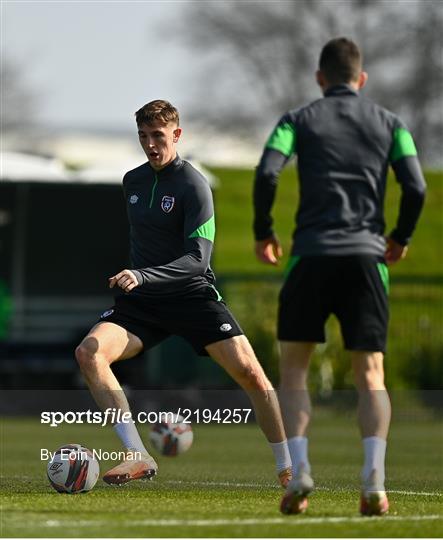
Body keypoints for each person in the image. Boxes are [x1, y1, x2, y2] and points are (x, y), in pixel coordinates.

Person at [75, 99, 292, 488]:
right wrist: (140, 281)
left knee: (253, 376)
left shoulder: (194, 185)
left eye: (158, 135)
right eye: (143, 136)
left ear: (176, 135)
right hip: (143, 304)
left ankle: (288, 468)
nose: (151, 144)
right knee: (89, 353)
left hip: (192, 296)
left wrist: (143, 276)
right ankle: (136, 455)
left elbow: (198, 258)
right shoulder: (133, 182)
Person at [253, 38, 426, 516]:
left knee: (293, 371)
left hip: (310, 255)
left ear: (319, 78)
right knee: (371, 374)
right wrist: (400, 237)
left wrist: (263, 230)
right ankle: (374, 479)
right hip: (367, 259)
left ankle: (301, 471)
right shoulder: (392, 124)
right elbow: (416, 185)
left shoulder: (296, 120)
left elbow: (268, 172)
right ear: (362, 79)